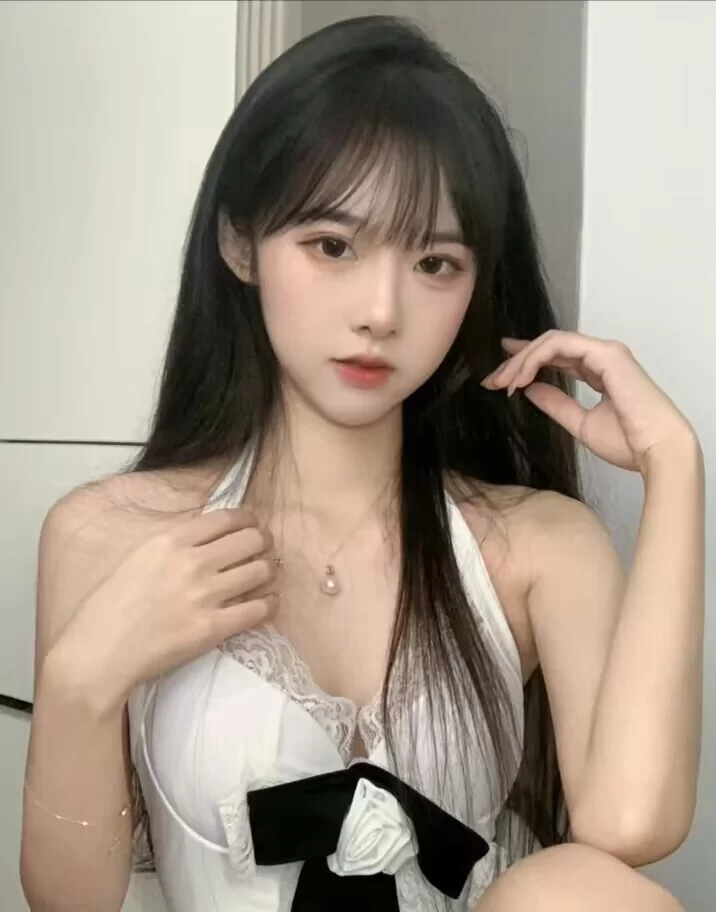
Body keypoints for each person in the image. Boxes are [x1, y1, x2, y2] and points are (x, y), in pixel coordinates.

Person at [20, 15, 703, 912]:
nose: (382, 311)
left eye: (435, 262)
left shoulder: (537, 546)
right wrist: (82, 680)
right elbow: (70, 903)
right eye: (333, 246)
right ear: (240, 244)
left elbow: (628, 828)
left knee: (581, 890)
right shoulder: (113, 535)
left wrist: (675, 468)